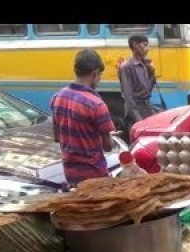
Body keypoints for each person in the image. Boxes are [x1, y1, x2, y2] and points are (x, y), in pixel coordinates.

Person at [50, 49, 116, 188]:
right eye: (100, 76)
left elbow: (58, 138)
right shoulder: (96, 104)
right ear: (95, 73)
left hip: (70, 172)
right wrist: (109, 137)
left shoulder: (57, 97)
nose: (99, 80)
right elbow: (108, 146)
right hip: (94, 173)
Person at [118, 35, 157, 140]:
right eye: (144, 45)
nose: (147, 48)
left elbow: (148, 90)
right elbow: (128, 98)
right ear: (135, 45)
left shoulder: (145, 65)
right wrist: (138, 120)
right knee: (138, 141)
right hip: (136, 110)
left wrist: (152, 72)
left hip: (147, 107)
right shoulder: (127, 67)